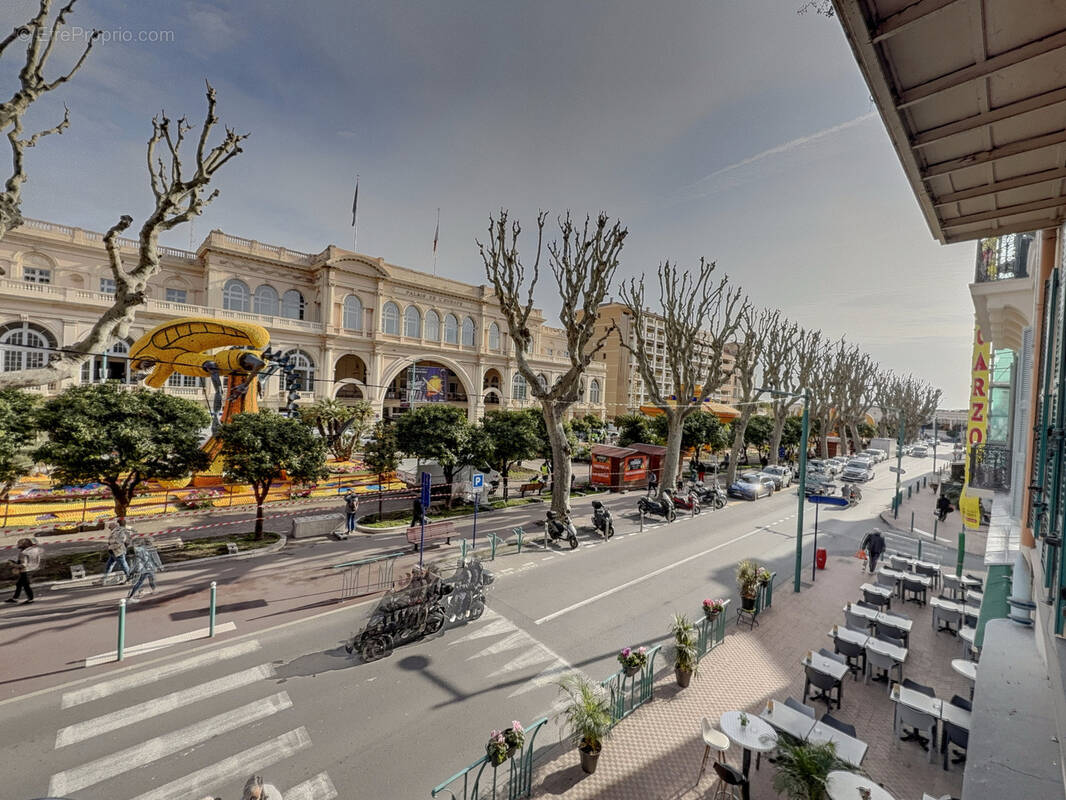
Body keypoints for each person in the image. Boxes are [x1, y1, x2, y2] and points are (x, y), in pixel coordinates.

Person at [6, 537, 42, 604]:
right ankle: (15, 598)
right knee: (19, 584)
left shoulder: (23, 553)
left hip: (25, 570)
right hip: (33, 568)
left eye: (19, 544)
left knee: (26, 585)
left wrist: (13, 564)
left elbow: (23, 565)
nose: (18, 545)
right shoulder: (35, 550)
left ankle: (30, 599)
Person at [127, 537, 163, 602]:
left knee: (151, 577)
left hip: (142, 568)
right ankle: (131, 596)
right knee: (140, 582)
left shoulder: (140, 549)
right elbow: (156, 558)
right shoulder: (151, 549)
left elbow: (135, 559)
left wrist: (132, 569)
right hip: (147, 568)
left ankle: (153, 590)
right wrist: (160, 566)